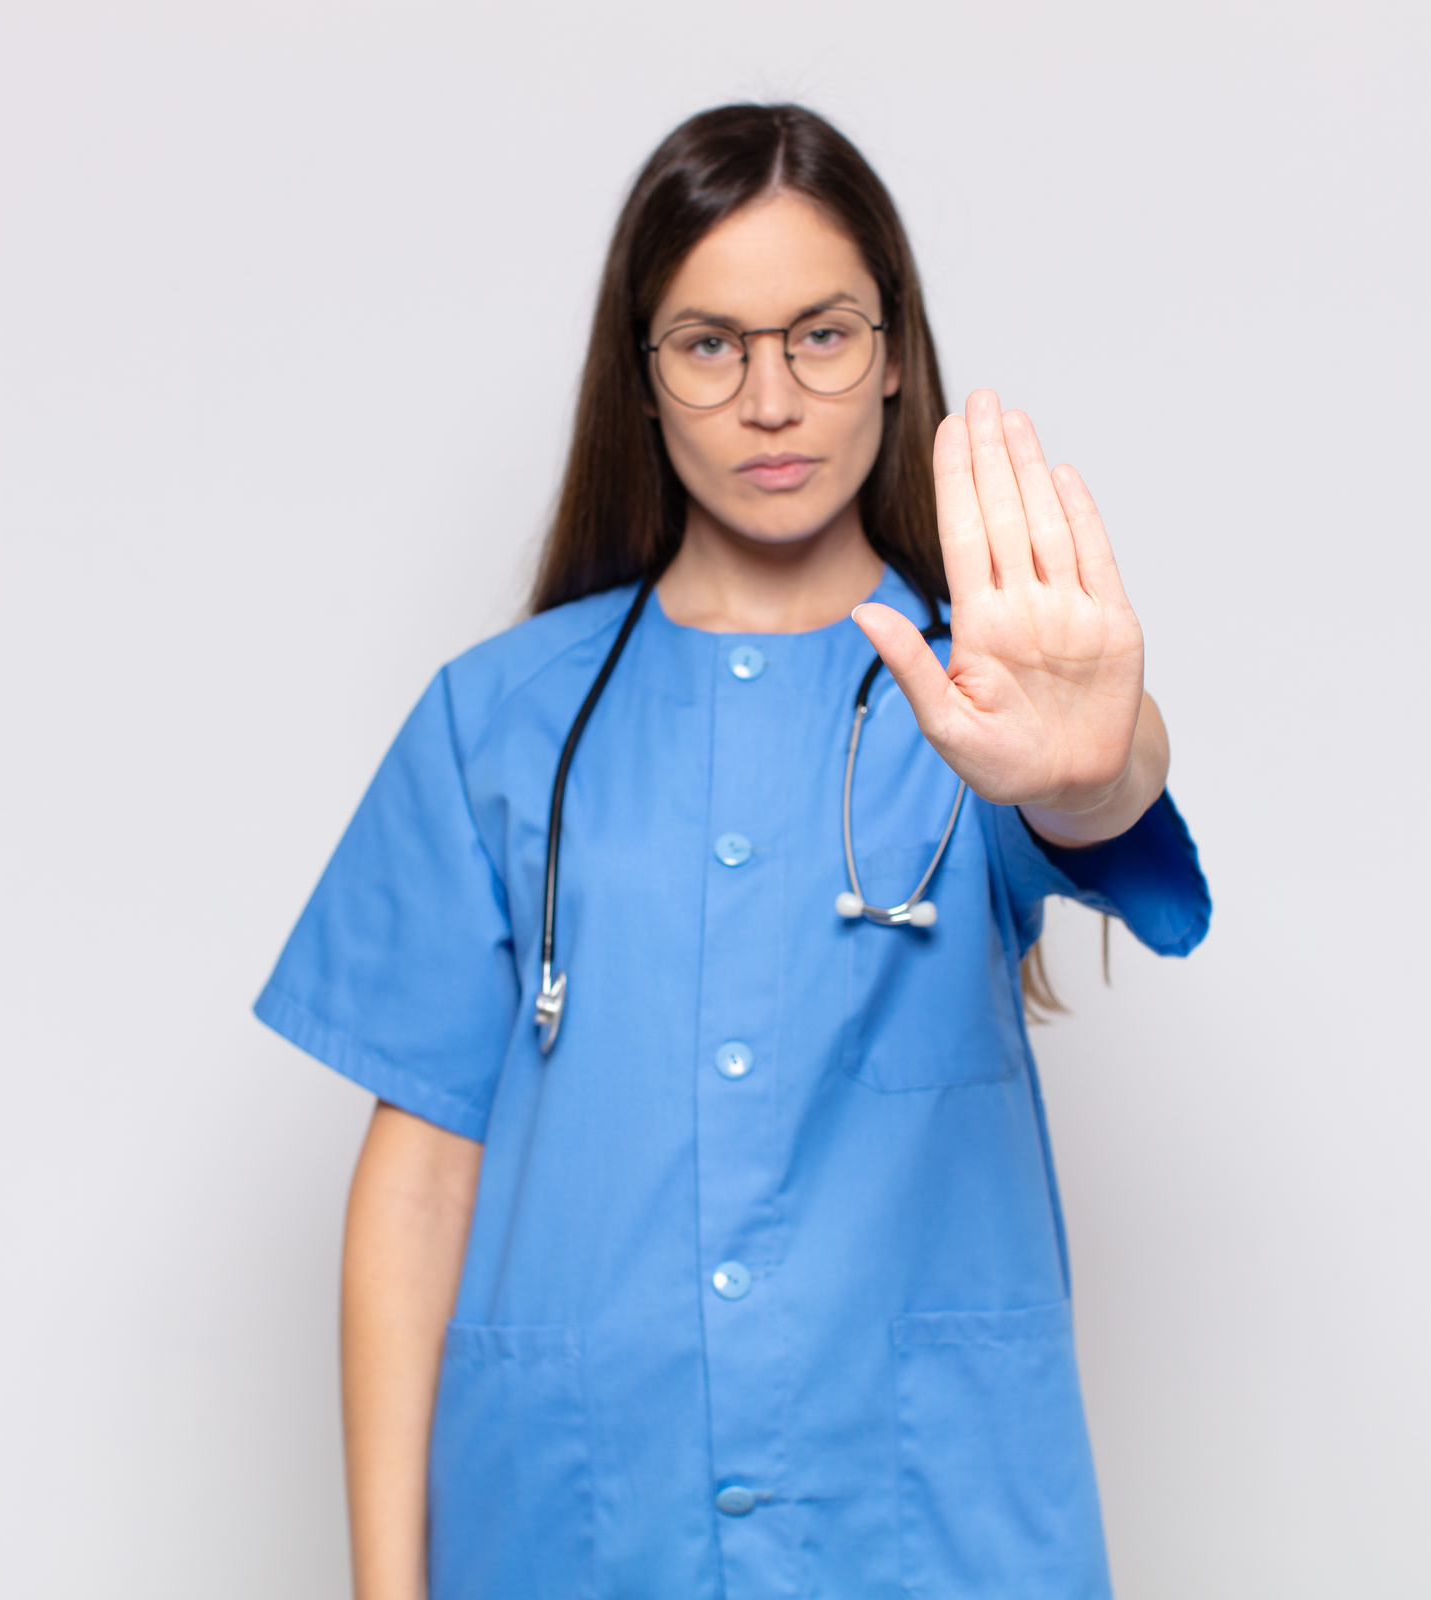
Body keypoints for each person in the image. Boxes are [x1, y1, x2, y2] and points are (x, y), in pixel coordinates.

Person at [255, 102, 1210, 1600]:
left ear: (891, 351)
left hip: (924, 1531)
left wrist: (1095, 761)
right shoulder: (500, 719)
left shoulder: (983, 706)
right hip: (586, 1528)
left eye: (820, 335)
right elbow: (420, 1180)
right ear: (643, 377)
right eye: (711, 345)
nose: (772, 400)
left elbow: (1097, 800)